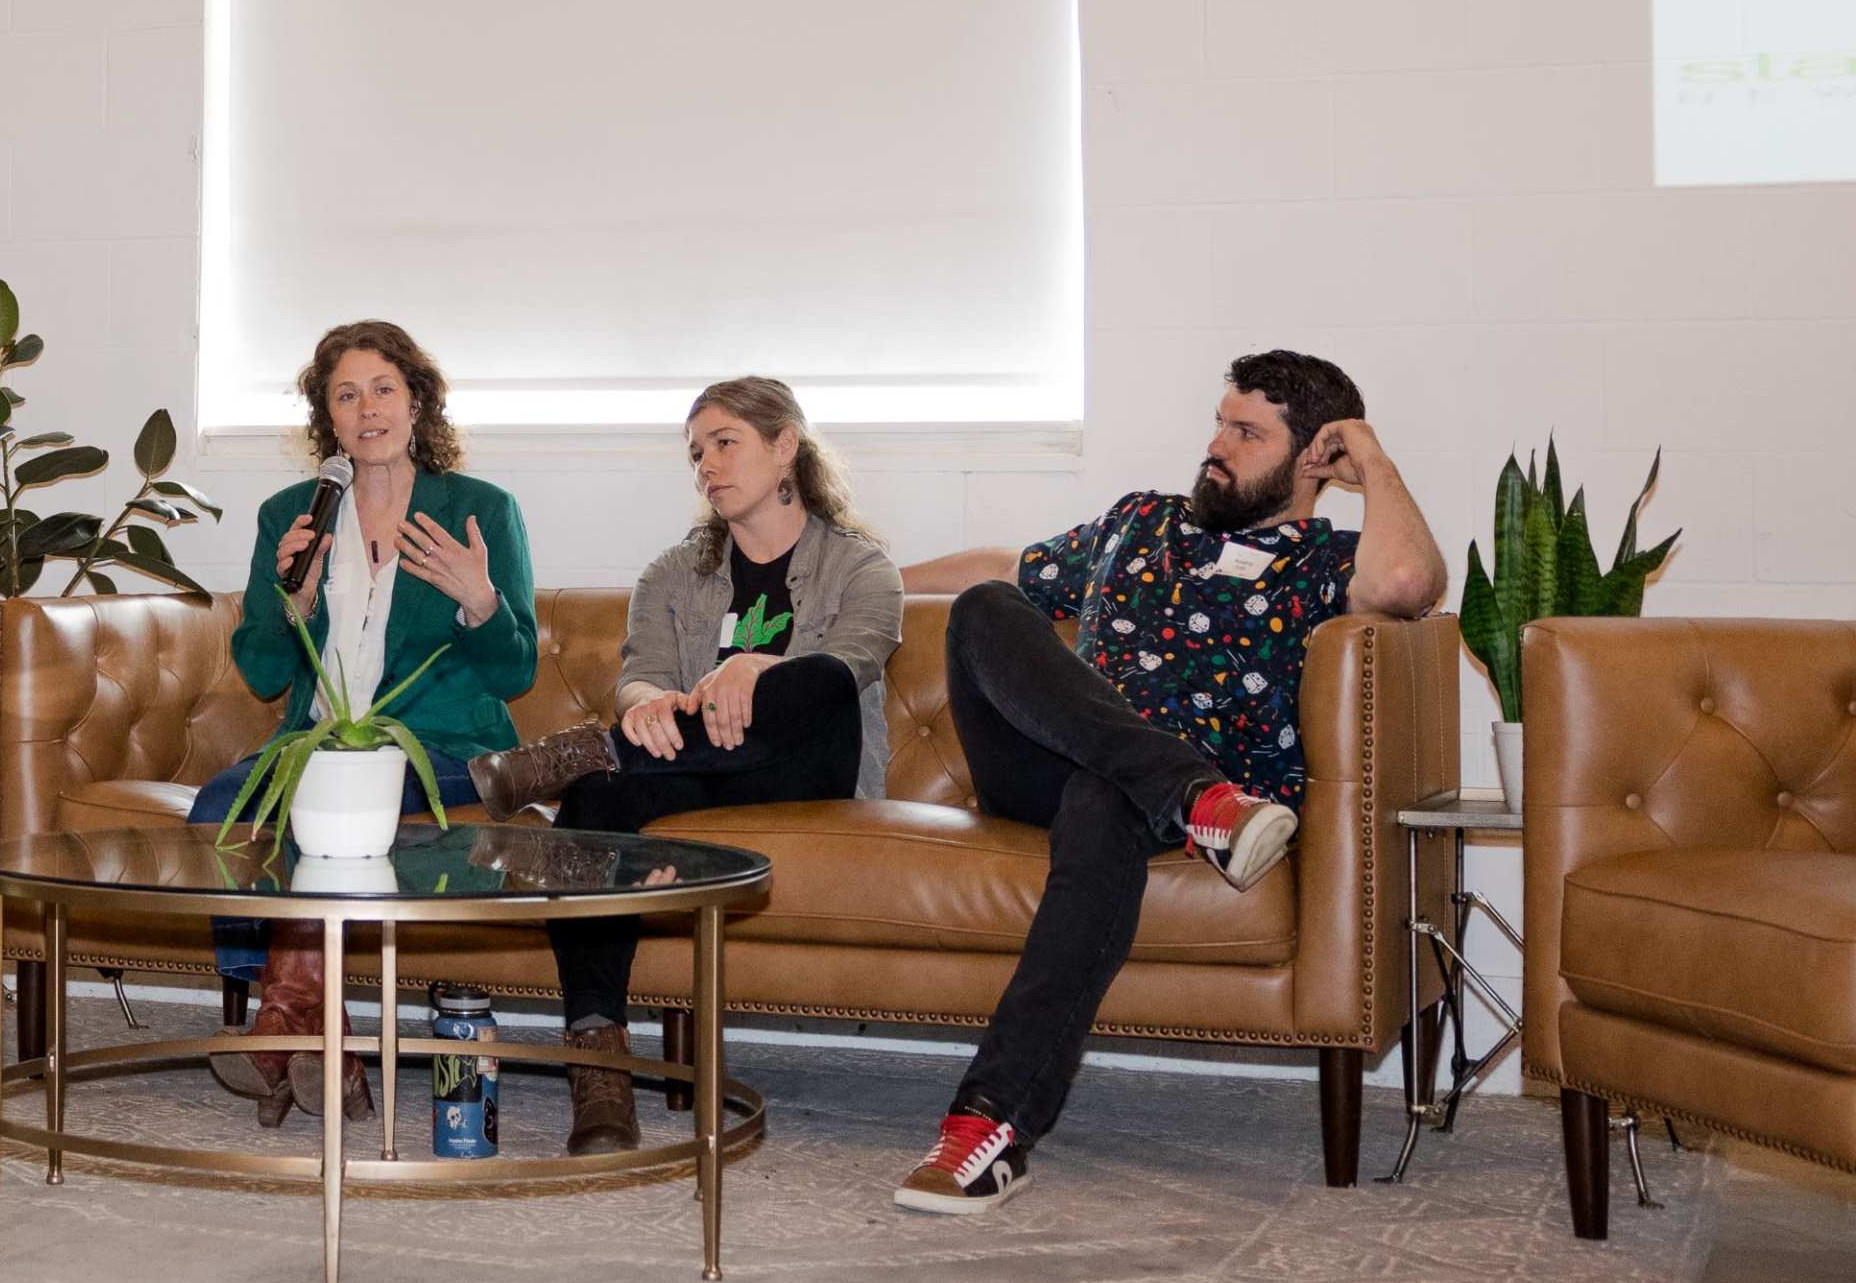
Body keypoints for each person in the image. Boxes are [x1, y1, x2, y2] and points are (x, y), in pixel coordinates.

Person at [885, 350, 1444, 1215]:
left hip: (1115, 798)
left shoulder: (1325, 560)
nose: (1216, 444)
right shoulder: (1140, 520)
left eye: (1246, 431)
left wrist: (1374, 461)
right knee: (986, 609)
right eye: (1220, 421)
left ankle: (986, 1125)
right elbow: (1012, 566)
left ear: (1312, 459)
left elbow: (1408, 583)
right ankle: (1190, 797)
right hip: (1056, 770)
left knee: (1106, 797)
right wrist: (873, 588)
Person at [466, 378, 901, 1155]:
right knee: (598, 799)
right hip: (693, 777)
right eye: (695, 452)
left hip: (806, 774)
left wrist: (755, 670)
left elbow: (853, 663)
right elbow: (640, 674)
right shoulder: (674, 573)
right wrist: (642, 706)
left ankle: (576, 751)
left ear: (785, 446)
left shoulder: (862, 567)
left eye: (725, 441)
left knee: (816, 683)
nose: (706, 463)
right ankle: (597, 1063)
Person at [191, 321, 537, 1129]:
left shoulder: (480, 509)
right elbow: (265, 671)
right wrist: (294, 605)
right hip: (314, 747)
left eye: (383, 388)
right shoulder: (293, 514)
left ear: (417, 401)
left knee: (341, 815)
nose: (366, 407)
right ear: (329, 419)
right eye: (345, 394)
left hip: (440, 747)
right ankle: (320, 1035)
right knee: (220, 806)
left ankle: (279, 1031)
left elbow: (515, 671)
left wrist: (480, 602)